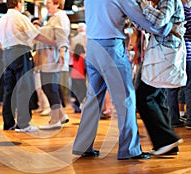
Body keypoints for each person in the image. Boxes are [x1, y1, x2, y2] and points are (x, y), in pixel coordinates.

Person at [72, 0, 173, 159]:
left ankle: (83, 146)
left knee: (93, 98)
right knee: (126, 98)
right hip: (111, 48)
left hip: (92, 47)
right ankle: (130, 149)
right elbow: (143, 20)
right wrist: (168, 28)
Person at [0, 0, 57, 132]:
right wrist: (54, 43)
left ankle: (8, 123)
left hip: (7, 55)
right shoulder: (20, 17)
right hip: (21, 52)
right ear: (18, 3)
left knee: (9, 90)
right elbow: (37, 35)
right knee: (24, 88)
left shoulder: (2, 19)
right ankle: (23, 124)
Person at [136, 0, 185, 155]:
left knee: (144, 98)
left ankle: (167, 140)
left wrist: (145, 7)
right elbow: (146, 25)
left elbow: (159, 20)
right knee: (158, 98)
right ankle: (168, 145)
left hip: (164, 54)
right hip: (164, 53)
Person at [35, 0, 70, 130]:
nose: (47, 4)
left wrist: (61, 51)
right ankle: (60, 115)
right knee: (49, 86)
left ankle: (54, 119)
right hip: (48, 58)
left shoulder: (60, 17)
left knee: (49, 87)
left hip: (52, 58)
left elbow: (62, 36)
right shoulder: (54, 18)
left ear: (57, 4)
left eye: (50, 2)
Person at [167, 0, 191, 130]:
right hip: (187, 54)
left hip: (172, 54)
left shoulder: (169, 10)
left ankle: (173, 118)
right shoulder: (187, 11)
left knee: (172, 88)